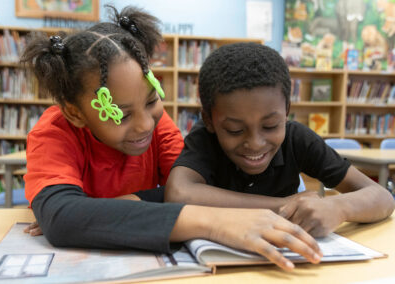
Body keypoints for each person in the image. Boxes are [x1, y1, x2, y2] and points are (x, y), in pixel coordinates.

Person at [20, 5, 322, 271]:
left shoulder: (157, 123)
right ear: (75, 113)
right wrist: (212, 221)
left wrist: (90, 216)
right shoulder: (54, 133)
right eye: (121, 115)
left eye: (152, 101)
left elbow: (189, 191)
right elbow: (64, 219)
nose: (144, 125)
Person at [165, 42, 395, 237]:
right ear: (209, 120)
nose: (255, 143)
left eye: (270, 126)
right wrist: (284, 206)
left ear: (286, 111)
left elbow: (382, 197)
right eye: (235, 130)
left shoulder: (297, 139)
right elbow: (179, 194)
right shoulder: (205, 138)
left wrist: (339, 207)